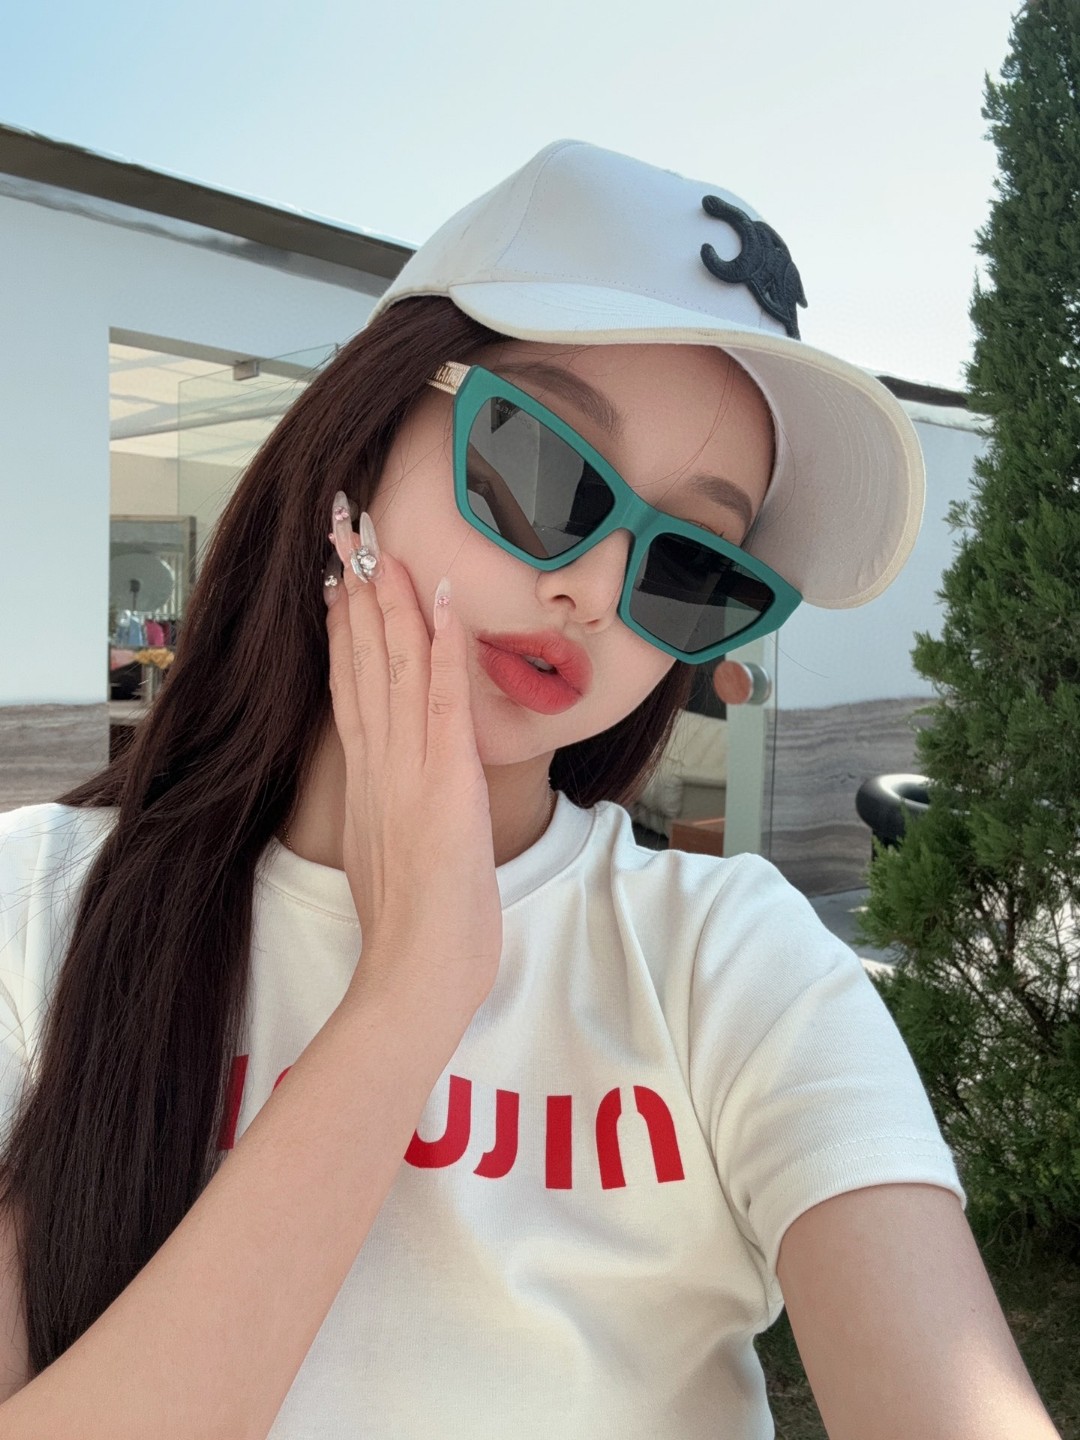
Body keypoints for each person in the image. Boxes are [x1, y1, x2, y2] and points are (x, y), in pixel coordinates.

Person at [0, 140, 1060, 1440]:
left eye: (692, 564)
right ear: (361, 440)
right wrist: (409, 994)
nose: (597, 588)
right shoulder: (36, 910)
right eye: (542, 470)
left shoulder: (731, 966)